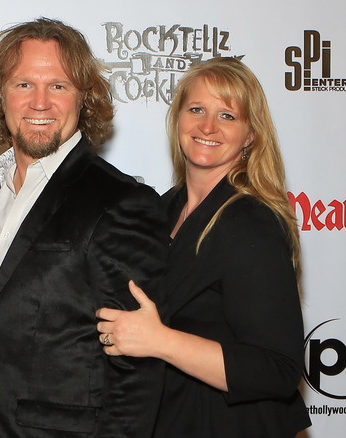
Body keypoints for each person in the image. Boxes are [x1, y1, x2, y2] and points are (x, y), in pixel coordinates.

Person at [0, 18, 168, 437]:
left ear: (84, 99)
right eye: (23, 84)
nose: (40, 102)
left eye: (58, 85)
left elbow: (136, 370)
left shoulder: (121, 201)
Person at [96, 57, 312, 437]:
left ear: (250, 135)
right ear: (178, 119)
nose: (208, 126)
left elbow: (279, 369)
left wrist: (161, 340)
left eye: (227, 115)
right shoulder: (162, 209)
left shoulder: (252, 223)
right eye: (196, 109)